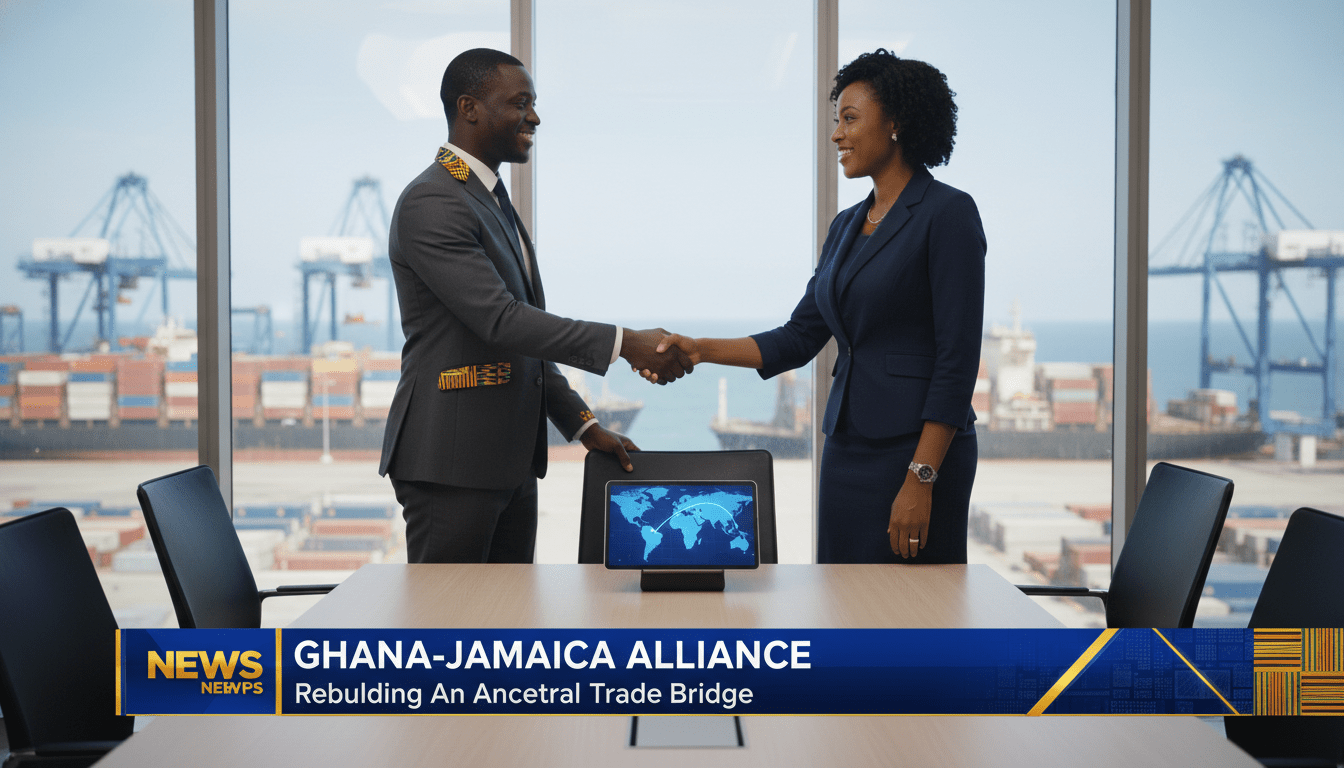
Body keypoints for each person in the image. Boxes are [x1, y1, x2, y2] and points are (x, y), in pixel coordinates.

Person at [653, 50, 985, 564]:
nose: (836, 135)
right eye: (837, 121)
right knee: (840, 595)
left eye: (849, 119)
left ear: (895, 123)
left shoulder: (948, 213)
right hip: (846, 447)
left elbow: (956, 361)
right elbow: (799, 336)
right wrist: (700, 349)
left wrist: (921, 477)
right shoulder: (846, 225)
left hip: (917, 455)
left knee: (914, 604)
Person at [379, 48, 691, 564]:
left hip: (509, 464)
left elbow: (522, 343)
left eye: (534, 103)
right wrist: (626, 342)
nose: (535, 117)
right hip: (452, 466)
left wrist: (584, 426)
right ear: (469, 108)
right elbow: (501, 321)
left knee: (508, 612)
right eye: (520, 103)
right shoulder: (433, 201)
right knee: (449, 612)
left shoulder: (487, 198)